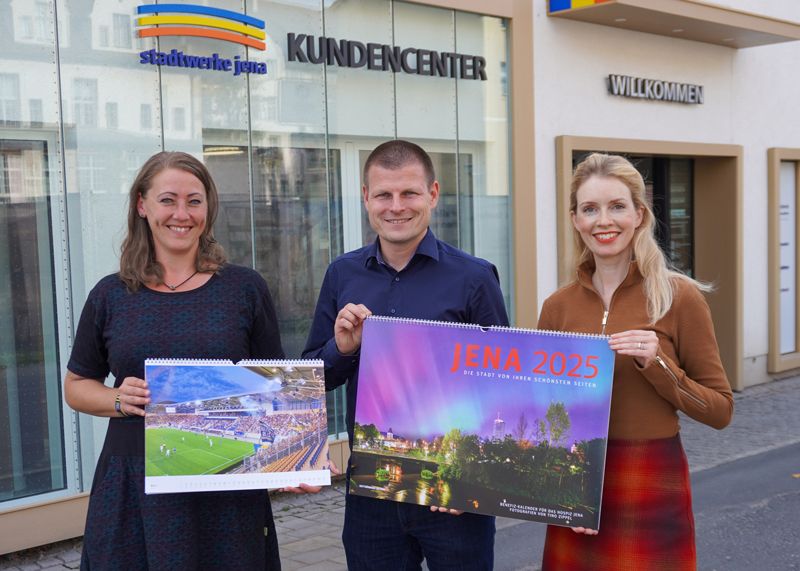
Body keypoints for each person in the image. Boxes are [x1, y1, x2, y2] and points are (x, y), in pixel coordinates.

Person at [64, 151, 301, 570]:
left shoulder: (244, 289)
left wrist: (291, 461)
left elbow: (277, 393)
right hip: (134, 483)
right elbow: (76, 386)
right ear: (142, 205)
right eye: (168, 199)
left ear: (208, 209)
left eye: (194, 201)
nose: (182, 213)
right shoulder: (111, 294)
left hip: (228, 481)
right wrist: (119, 399)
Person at [303, 139, 509, 570]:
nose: (396, 206)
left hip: (453, 491)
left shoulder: (474, 277)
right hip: (372, 491)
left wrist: (475, 481)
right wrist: (343, 349)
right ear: (366, 199)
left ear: (432, 194)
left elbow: (501, 387)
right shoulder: (342, 273)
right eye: (383, 194)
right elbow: (315, 378)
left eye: (409, 193)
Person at [537, 153, 734, 570]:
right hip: (574, 475)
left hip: (648, 475)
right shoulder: (557, 307)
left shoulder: (679, 297)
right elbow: (545, 413)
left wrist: (658, 363)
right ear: (575, 219)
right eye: (589, 209)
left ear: (640, 215)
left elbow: (720, 410)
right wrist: (565, 490)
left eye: (617, 206)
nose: (603, 221)